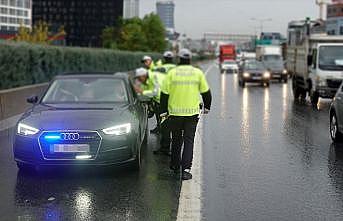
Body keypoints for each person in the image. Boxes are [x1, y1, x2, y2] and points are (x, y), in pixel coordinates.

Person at [160, 48, 212, 180]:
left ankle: (175, 165)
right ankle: (186, 170)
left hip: (175, 114)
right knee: (189, 141)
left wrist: (163, 111)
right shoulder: (197, 73)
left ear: (179, 58)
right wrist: (207, 107)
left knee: (176, 139)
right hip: (191, 114)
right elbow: (206, 93)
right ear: (190, 59)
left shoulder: (172, 73)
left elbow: (164, 94)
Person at [134, 68, 171, 154]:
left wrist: (142, 92)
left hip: (166, 104)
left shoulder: (154, 77)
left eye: (139, 78)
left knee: (165, 126)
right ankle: (165, 147)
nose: (139, 80)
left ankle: (166, 149)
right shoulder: (149, 78)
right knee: (163, 125)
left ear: (143, 76)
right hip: (162, 103)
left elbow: (155, 92)